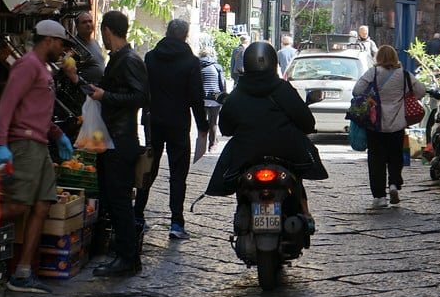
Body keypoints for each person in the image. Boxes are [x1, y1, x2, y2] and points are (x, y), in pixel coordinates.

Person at [206, 42, 328, 226]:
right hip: (287, 151)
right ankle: (304, 212)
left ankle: (245, 213)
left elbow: (226, 128)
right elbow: (307, 123)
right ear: (273, 63)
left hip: (246, 154)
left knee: (235, 177)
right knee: (297, 176)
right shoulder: (284, 89)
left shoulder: (238, 94)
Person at [0, 19, 73, 295]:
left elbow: (37, 109)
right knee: (18, 206)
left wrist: (56, 134)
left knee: (42, 205)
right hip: (25, 143)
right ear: (49, 40)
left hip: (40, 144)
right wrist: (1, 143)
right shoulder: (27, 65)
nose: (63, 48)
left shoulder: (44, 69)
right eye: (61, 42)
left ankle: (23, 272)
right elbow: (7, 104)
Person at [134, 19, 209, 239]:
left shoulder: (150, 57)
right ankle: (177, 223)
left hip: (154, 122)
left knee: (148, 168)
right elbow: (196, 97)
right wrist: (203, 126)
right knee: (178, 174)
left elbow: (144, 91)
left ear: (167, 33)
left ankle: (137, 215)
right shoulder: (190, 62)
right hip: (178, 123)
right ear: (185, 36)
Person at [88, 10, 149, 277]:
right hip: (113, 138)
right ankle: (125, 255)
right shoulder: (119, 59)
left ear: (107, 31)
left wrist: (106, 96)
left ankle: (127, 258)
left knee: (120, 200)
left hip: (121, 140)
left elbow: (140, 97)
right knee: (114, 198)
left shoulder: (129, 60)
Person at [352, 44, 426, 208]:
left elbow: (357, 91)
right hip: (397, 124)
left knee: (376, 159)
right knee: (395, 156)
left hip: (375, 124)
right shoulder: (404, 75)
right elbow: (421, 91)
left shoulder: (373, 73)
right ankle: (393, 184)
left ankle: (380, 196)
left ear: (378, 58)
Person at [198, 44, 227, 153]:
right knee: (213, 122)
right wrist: (223, 96)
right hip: (215, 96)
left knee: (202, 121)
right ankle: (212, 145)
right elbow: (222, 83)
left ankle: (201, 144)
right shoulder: (217, 66)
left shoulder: (198, 66)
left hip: (202, 96)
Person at [72, 10, 106, 85]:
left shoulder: (95, 42)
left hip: (99, 88)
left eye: (90, 21)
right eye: (84, 22)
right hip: (84, 90)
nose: (88, 24)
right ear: (77, 27)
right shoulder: (73, 44)